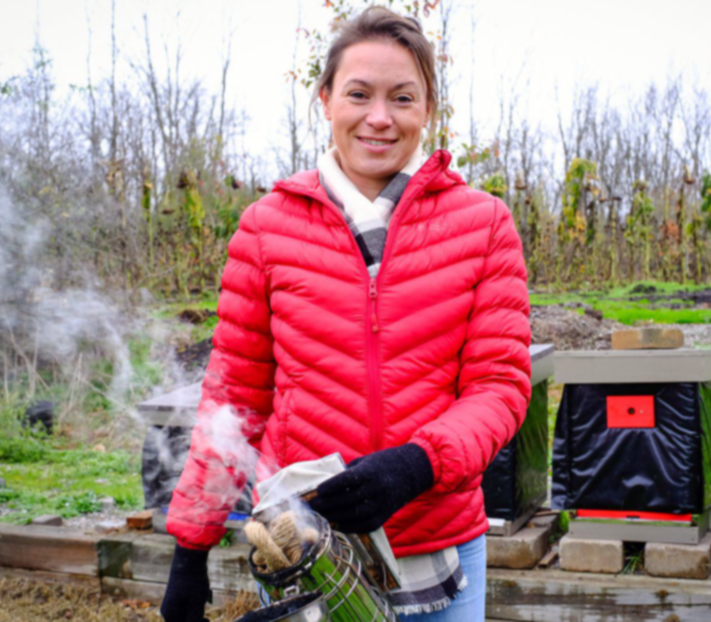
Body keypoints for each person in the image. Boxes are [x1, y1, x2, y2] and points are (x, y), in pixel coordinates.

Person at [159, 7, 530, 622]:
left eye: (402, 98)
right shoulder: (266, 229)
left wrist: (418, 464)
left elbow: (500, 387)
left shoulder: (484, 225)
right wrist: (189, 547)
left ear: (428, 109)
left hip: (440, 538)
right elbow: (235, 399)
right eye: (359, 94)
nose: (379, 118)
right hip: (304, 543)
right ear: (326, 99)